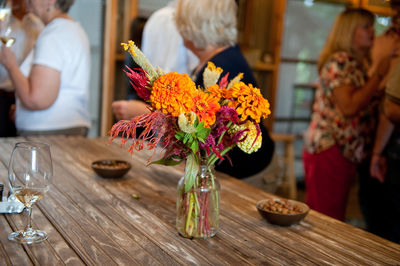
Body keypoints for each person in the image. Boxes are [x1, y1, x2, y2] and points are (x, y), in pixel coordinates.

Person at [303, 8, 396, 221]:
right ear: (349, 31)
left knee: (332, 215)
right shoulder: (340, 61)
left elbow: (367, 100)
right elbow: (349, 106)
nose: (372, 32)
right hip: (331, 148)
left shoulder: (356, 63)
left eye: (372, 26)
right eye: (365, 27)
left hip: (343, 150)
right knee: (326, 219)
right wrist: (380, 74)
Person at [175, 0, 275, 181]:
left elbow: (197, 130)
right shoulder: (225, 55)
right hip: (239, 167)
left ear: (194, 27)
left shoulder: (220, 68)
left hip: (248, 175)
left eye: (182, 25)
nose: (181, 34)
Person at [0, 0, 91, 136]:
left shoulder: (53, 35)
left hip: (48, 134)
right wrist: (21, 109)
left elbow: (36, 100)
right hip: (62, 130)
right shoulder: (71, 28)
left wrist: (10, 65)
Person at [112, 0, 198, 121]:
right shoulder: (191, 21)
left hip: (156, 101)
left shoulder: (157, 18)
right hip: (178, 108)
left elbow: (146, 64)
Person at [0, 0, 43, 137]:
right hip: (1, 95)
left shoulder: (38, 25)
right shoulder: (3, 20)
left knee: (21, 144)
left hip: (24, 95)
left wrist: (22, 102)